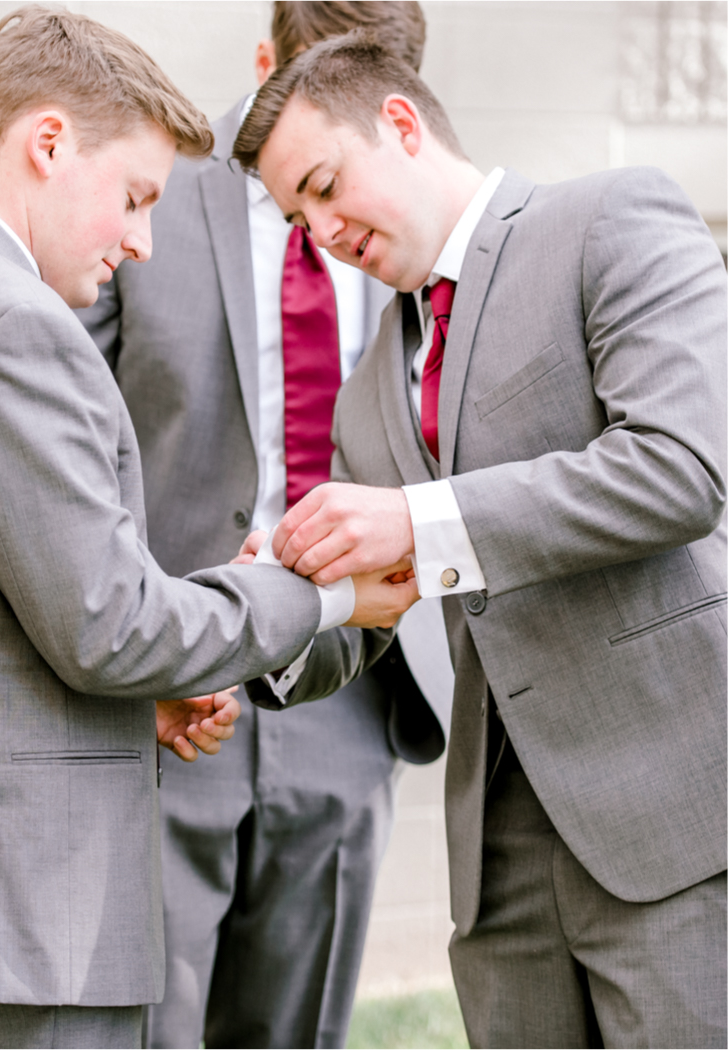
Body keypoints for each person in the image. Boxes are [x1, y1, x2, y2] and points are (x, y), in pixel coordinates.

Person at [233, 31, 727, 1048]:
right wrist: (269, 612)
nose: (321, 231)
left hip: (674, 822)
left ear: (403, 124)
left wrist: (416, 517)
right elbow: (371, 614)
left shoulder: (609, 219)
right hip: (496, 855)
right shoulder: (372, 387)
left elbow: (684, 468)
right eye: (297, 217)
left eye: (326, 186)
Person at [0, 8, 421, 1048]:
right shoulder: (25, 316)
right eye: (132, 200)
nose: (139, 238)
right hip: (161, 662)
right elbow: (87, 596)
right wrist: (330, 593)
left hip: (327, 697)